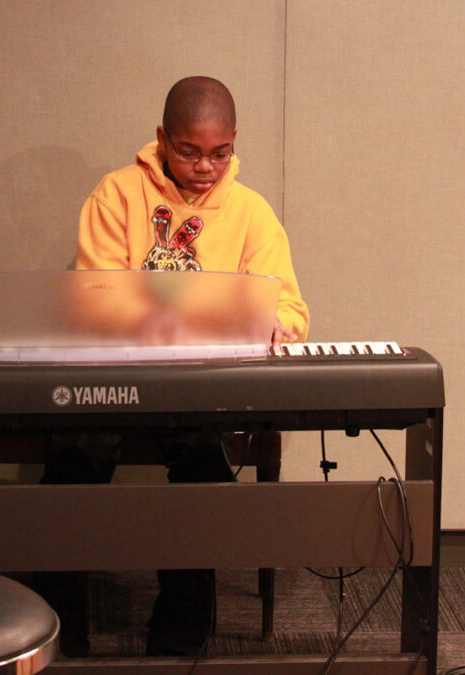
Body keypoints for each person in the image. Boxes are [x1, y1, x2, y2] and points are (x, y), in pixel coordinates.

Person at [38, 76, 310, 658]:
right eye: (189, 151)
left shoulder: (251, 211)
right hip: (115, 373)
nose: (205, 166)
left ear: (234, 142)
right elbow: (100, 295)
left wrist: (278, 323)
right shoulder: (117, 193)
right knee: (77, 456)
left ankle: (180, 638)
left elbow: (287, 302)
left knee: (203, 465)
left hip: (197, 381)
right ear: (162, 138)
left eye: (220, 152)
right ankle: (61, 631)